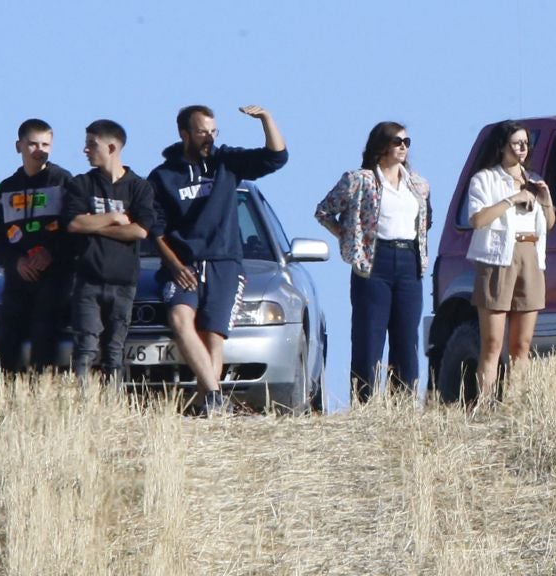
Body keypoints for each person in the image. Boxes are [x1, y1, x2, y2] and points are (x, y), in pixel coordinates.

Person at [148, 104, 288, 413]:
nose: (209, 138)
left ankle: (207, 402)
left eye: (213, 131)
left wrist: (266, 118)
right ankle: (213, 394)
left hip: (225, 263)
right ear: (184, 134)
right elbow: (154, 229)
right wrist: (175, 265)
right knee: (179, 319)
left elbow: (276, 157)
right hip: (182, 265)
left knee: (213, 336)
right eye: (202, 132)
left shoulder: (227, 162)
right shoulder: (162, 176)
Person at [314, 121, 432, 403]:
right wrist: (348, 237)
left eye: (406, 142)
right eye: (396, 141)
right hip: (373, 261)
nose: (403, 146)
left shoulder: (418, 184)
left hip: (409, 260)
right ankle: (365, 401)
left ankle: (401, 403)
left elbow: (426, 222)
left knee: (406, 337)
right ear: (381, 146)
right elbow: (324, 211)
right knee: (369, 335)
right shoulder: (359, 180)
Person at [61, 120, 157, 389]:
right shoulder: (81, 184)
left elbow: (140, 231)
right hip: (88, 280)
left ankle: (112, 405)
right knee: (85, 348)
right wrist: (114, 218)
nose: (85, 150)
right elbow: (75, 223)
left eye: (92, 144)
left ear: (112, 147)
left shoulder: (139, 187)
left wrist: (95, 226)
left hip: (124, 281)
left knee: (114, 351)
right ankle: (80, 404)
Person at [462, 121, 553, 400]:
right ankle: (484, 404)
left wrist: (546, 200)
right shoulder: (485, 179)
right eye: (516, 143)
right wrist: (513, 199)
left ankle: (514, 406)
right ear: (502, 146)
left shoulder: (533, 178)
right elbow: (477, 219)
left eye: (526, 143)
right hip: (498, 257)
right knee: (492, 344)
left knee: (522, 344)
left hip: (531, 255)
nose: (522, 148)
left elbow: (548, 224)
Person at [0, 118, 73, 374]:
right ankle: (4, 398)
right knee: (5, 341)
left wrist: (51, 253)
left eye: (46, 144)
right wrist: (17, 262)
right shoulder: (7, 188)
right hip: (17, 278)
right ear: (19, 146)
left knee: (44, 335)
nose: (40, 150)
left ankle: (42, 395)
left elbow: (74, 230)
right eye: (33, 144)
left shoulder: (63, 181)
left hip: (54, 278)